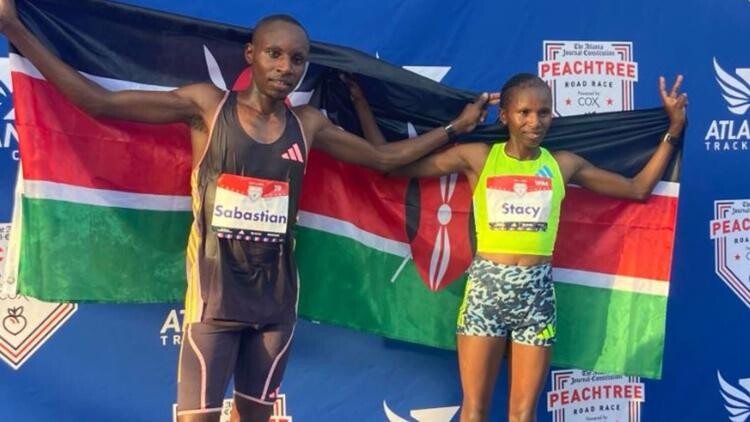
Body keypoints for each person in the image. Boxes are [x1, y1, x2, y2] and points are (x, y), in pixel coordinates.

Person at [0, 2, 496, 421]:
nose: (286, 67)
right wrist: (14, 28)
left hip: (275, 307)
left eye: (297, 60)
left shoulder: (308, 124)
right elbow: (98, 103)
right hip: (214, 304)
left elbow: (384, 160)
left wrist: (457, 127)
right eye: (275, 54)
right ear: (251, 56)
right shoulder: (207, 106)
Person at [391, 73, 686, 422]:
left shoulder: (562, 164)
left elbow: (637, 189)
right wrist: (456, 126)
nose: (535, 121)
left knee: (523, 414)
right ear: (505, 116)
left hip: (536, 298)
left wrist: (674, 129)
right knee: (474, 410)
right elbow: (395, 165)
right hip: (484, 295)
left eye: (544, 112)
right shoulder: (479, 158)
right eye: (524, 112)